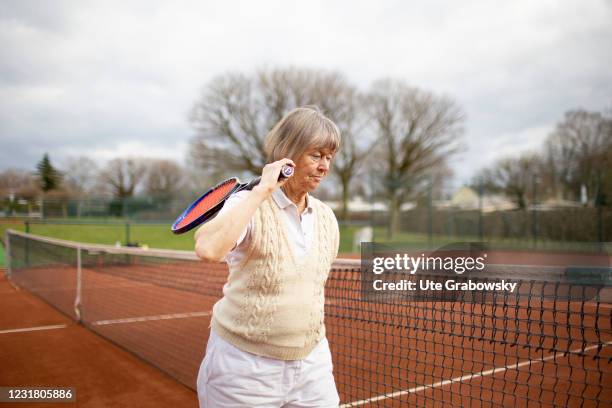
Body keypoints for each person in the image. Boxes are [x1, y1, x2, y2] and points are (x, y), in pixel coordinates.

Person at [194, 106, 341, 407]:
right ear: (288, 153)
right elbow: (208, 248)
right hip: (243, 371)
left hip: (313, 366)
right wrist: (260, 192)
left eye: (329, 157)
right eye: (316, 155)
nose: (325, 166)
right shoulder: (248, 203)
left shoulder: (326, 217)